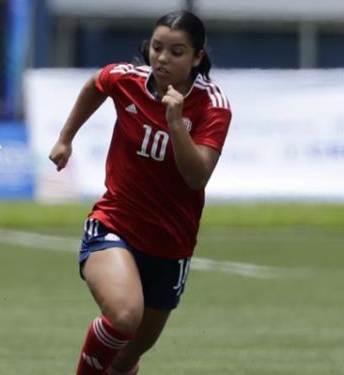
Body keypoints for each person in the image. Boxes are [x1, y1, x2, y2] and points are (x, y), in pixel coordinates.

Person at [48, 10, 231, 375]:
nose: (162, 58)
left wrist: (175, 122)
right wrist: (65, 138)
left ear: (196, 57)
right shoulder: (127, 79)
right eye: (157, 48)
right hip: (114, 224)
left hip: (171, 244)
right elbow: (97, 85)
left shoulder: (212, 105)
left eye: (176, 52)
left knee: (126, 359)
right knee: (123, 316)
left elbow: (197, 177)